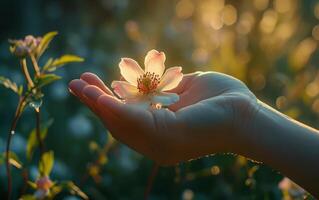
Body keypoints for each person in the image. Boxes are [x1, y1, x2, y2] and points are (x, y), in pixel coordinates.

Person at [69, 71, 319, 197]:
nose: (147, 83)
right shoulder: (144, 91)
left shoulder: (166, 94)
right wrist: (245, 117)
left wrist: (243, 116)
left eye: (149, 82)